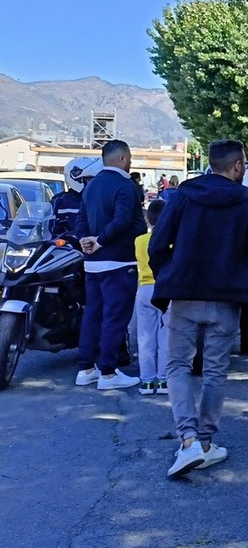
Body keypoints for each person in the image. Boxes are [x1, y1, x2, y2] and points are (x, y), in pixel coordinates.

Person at [149, 139, 248, 478]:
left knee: (177, 365)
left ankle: (187, 439)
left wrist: (169, 276)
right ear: (238, 166)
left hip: (184, 293)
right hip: (227, 298)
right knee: (216, 371)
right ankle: (204, 442)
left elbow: (158, 243)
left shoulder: (183, 196)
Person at [74, 140, 147, 390]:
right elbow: (123, 220)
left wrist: (85, 240)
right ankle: (108, 373)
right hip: (119, 261)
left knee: (92, 315)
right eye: (130, 158)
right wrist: (101, 241)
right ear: (123, 158)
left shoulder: (91, 185)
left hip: (92, 263)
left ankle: (86, 369)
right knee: (115, 317)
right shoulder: (125, 185)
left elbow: (81, 218)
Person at [135, 198, 168, 395]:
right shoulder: (172, 241)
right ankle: (163, 380)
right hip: (165, 290)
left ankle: (146, 381)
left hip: (145, 288)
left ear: (148, 219)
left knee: (145, 338)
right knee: (166, 338)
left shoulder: (139, 241)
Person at [52, 156, 102, 238]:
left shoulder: (106, 200)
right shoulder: (59, 202)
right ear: (78, 179)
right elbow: (48, 231)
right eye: (92, 179)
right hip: (69, 245)